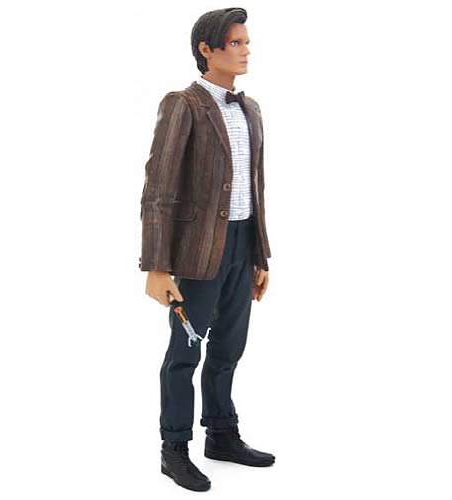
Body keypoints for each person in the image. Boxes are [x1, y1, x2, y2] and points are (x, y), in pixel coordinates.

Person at [139, 7, 274, 492]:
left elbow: (255, 188)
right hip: (198, 253)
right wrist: (157, 266)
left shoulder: (250, 108)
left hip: (241, 244)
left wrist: (260, 255)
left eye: (246, 42)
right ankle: (174, 448)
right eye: (235, 43)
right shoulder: (184, 104)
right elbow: (158, 188)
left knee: (229, 347)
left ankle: (222, 434)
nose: (246, 51)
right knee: (185, 352)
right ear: (206, 49)